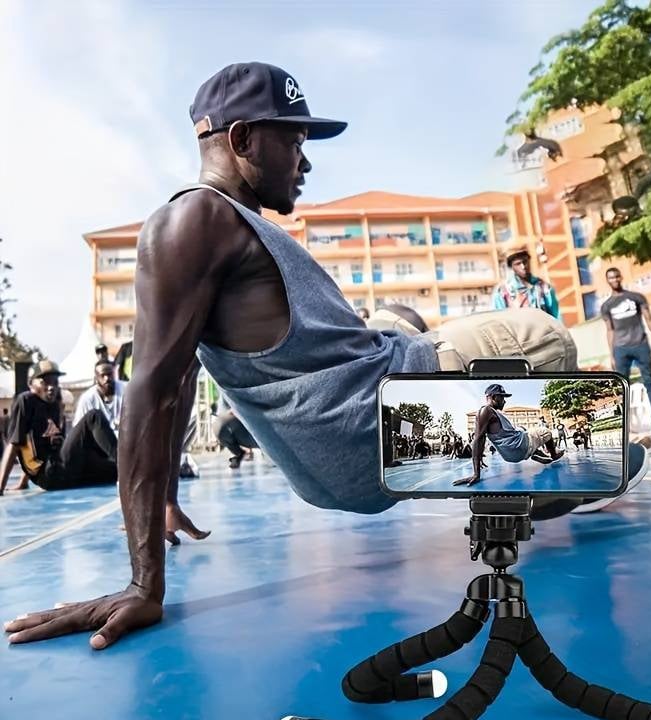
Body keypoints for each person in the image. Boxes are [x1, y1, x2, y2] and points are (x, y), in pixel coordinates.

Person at [1, 61, 579, 650]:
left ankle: (543, 472)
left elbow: (181, 374)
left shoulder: (221, 231)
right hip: (383, 415)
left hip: (345, 448)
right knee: (547, 336)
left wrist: (169, 494)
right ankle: (574, 465)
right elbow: (152, 390)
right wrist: (142, 584)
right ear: (242, 139)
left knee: (394, 324)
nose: (306, 162)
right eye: (294, 142)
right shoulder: (195, 218)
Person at [0, 360, 119, 494]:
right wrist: (1, 486)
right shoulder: (25, 401)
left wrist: (23, 482)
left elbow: (34, 451)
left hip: (66, 471)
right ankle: (124, 461)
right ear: (31, 384)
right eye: (45, 382)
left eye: (55, 382)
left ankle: (124, 466)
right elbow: (14, 445)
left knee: (114, 472)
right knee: (93, 417)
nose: (51, 387)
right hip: (50, 472)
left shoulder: (55, 404)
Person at [601, 267, 651, 435]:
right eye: (611, 278)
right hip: (621, 349)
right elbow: (610, 331)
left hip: (641, 345)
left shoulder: (636, 298)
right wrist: (611, 354)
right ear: (608, 281)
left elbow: (650, 320)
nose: (615, 280)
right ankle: (626, 426)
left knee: (649, 382)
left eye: (617, 276)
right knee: (623, 387)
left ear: (621, 277)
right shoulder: (606, 306)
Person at [453, 384, 564, 486]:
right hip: (521, 446)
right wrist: (476, 474)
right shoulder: (486, 410)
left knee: (522, 429)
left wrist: (479, 458)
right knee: (546, 431)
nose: (504, 401)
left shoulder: (493, 414)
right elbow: (478, 439)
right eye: (502, 397)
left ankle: (536, 453)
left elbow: (481, 438)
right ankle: (553, 454)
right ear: (493, 397)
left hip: (510, 456)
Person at [492, 248, 560, 319]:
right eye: (518, 264)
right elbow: (499, 319)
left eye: (525, 262)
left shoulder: (544, 287)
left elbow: (555, 316)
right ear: (511, 267)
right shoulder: (503, 292)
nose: (523, 267)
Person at [74, 362, 126, 432]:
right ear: (96, 378)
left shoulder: (126, 389)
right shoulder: (87, 398)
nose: (107, 378)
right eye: (103, 375)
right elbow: (78, 428)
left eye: (109, 374)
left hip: (124, 438)